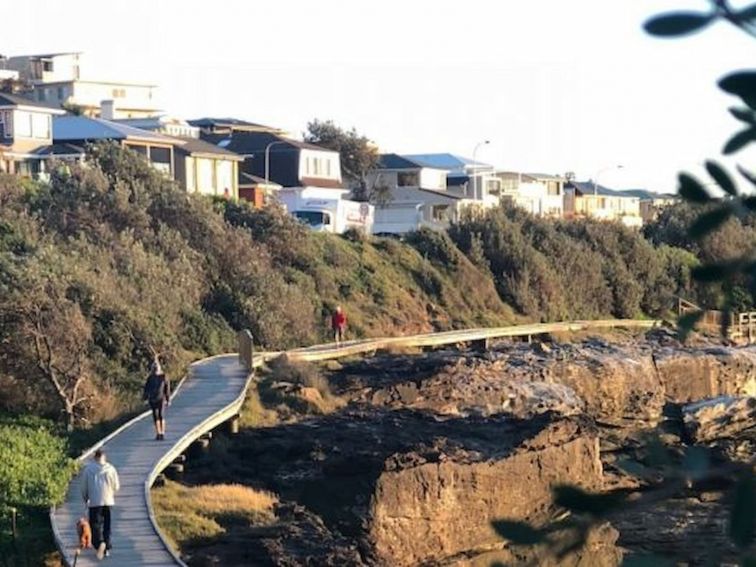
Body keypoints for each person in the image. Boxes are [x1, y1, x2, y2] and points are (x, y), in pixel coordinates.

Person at [81, 449, 120, 560]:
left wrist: (85, 498)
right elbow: (116, 486)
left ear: (95, 458)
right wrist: (111, 492)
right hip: (108, 501)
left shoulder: (88, 469)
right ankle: (106, 547)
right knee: (107, 526)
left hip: (94, 502)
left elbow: (84, 487)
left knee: (95, 526)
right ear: (105, 458)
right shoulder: (111, 469)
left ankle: (99, 544)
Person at [143, 357, 171, 441]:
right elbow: (146, 389)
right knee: (155, 416)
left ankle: (162, 432)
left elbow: (167, 388)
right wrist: (145, 398)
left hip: (161, 398)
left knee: (161, 415)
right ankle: (158, 433)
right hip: (152, 399)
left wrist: (168, 399)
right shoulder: (150, 378)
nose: (155, 369)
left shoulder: (163, 377)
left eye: (156, 367)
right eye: (154, 368)